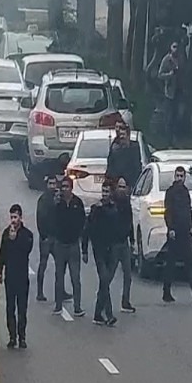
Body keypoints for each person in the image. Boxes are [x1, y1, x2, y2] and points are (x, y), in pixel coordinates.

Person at [162, 165, 192, 304]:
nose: (179, 178)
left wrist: (191, 227)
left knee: (190, 263)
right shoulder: (170, 192)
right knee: (170, 264)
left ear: (185, 177)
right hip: (175, 233)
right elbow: (168, 211)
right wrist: (170, 228)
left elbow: (188, 211)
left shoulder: (185, 192)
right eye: (177, 176)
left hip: (185, 232)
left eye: (181, 176)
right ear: (174, 176)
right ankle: (166, 292)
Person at [82, 180, 120, 326]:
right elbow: (87, 229)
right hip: (98, 250)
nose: (104, 195)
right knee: (104, 280)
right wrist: (84, 249)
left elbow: (115, 225)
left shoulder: (113, 209)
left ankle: (98, 313)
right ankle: (109, 315)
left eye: (107, 192)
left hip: (111, 249)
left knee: (105, 282)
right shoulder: (95, 209)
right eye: (103, 192)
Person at [0, 203, 34, 348]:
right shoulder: (6, 233)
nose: (13, 220)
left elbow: (27, 249)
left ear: (20, 217)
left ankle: (22, 336)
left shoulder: (27, 234)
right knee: (10, 308)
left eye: (15, 217)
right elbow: (3, 252)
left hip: (22, 277)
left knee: (22, 309)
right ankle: (12, 337)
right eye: (11, 217)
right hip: (10, 277)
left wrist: (16, 239)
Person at [51, 177, 86, 317]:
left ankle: (77, 307)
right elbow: (52, 221)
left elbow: (83, 223)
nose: (65, 189)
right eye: (63, 186)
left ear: (71, 188)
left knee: (75, 278)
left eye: (67, 186)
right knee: (59, 276)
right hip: (60, 244)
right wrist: (54, 205)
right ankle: (58, 306)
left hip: (73, 245)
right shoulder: (57, 204)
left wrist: (82, 245)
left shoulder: (78, 203)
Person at [35, 174, 61, 301]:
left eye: (54, 184)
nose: (52, 186)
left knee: (60, 265)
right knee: (43, 264)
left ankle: (61, 291)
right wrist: (43, 235)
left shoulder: (58, 199)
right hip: (46, 238)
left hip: (56, 237)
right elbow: (41, 218)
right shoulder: (43, 200)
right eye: (50, 184)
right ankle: (39, 292)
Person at [112, 177, 136, 312]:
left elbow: (130, 222)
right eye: (119, 187)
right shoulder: (112, 202)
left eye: (124, 187)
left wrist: (132, 241)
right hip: (114, 244)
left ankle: (125, 301)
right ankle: (103, 301)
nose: (122, 190)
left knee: (128, 275)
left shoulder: (127, 203)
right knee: (109, 275)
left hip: (124, 243)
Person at [105, 121, 142, 191]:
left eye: (123, 134)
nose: (121, 136)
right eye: (120, 135)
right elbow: (110, 165)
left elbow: (137, 165)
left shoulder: (134, 147)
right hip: (116, 184)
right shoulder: (115, 148)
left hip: (130, 183)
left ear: (128, 136)